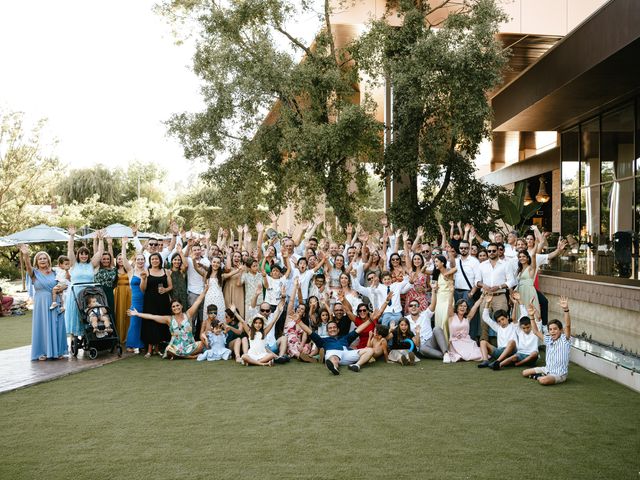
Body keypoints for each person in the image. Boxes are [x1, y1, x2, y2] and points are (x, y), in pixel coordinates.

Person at [128, 282, 208, 359]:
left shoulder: (188, 314)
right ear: (171, 309)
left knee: (201, 343)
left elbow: (198, 301)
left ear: (182, 306)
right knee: (169, 349)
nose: (176, 308)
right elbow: (152, 317)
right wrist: (137, 314)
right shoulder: (169, 319)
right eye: (173, 307)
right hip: (175, 348)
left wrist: (205, 290)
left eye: (177, 305)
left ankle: (182, 356)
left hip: (190, 346)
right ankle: (189, 356)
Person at [296, 300, 376, 375]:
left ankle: (356, 365)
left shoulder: (345, 338)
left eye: (334, 327)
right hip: (333, 352)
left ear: (338, 330)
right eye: (330, 328)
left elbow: (358, 329)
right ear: (327, 331)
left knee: (370, 350)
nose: (332, 329)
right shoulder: (323, 340)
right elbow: (309, 332)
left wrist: (370, 320)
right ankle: (334, 367)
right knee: (333, 358)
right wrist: (299, 321)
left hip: (347, 353)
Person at [19, 245, 68, 360]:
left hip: (55, 301)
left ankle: (59, 351)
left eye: (44, 258)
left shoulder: (55, 272)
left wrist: (61, 288)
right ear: (36, 261)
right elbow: (27, 266)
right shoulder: (34, 273)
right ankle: (42, 352)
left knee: (58, 325)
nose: (42, 260)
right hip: (41, 303)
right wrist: (26, 255)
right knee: (42, 327)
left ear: (48, 260)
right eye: (40, 258)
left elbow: (65, 284)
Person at [522, 296, 572, 385]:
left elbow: (567, 326)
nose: (552, 331)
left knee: (543, 381)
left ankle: (540, 377)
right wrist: (531, 316)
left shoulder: (565, 339)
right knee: (524, 372)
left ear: (561, 330)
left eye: (555, 329)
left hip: (559, 374)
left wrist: (566, 310)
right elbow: (536, 331)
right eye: (550, 329)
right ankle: (542, 375)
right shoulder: (548, 339)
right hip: (547, 369)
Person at [64, 226, 103, 338]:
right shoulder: (74, 264)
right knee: (76, 315)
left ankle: (90, 334)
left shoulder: (91, 265)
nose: (84, 256)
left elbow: (100, 253)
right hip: (76, 293)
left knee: (89, 313)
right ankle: (74, 338)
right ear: (78, 255)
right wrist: (71, 236)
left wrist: (100, 240)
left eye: (86, 254)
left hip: (89, 294)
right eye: (82, 254)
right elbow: (70, 250)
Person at [140, 252, 173, 358]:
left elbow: (170, 286)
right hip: (150, 301)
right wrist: (144, 279)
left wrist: (165, 289)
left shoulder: (166, 271)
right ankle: (149, 350)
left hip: (162, 301)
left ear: (160, 260)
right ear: (150, 261)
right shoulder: (146, 271)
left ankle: (158, 349)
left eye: (157, 259)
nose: (155, 260)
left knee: (160, 323)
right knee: (150, 323)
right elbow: (143, 289)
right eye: (152, 259)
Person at [405, 286, 448, 359]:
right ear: (408, 308)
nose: (413, 307)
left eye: (416, 305)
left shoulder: (425, 314)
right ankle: (445, 356)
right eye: (411, 306)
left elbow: (433, 305)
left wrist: (433, 291)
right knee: (422, 349)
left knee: (437, 329)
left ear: (419, 308)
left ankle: (446, 353)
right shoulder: (406, 320)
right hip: (422, 346)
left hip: (432, 341)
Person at [477, 293, 518, 370]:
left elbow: (514, 318)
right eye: (499, 321)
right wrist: (487, 302)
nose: (501, 322)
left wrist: (515, 304)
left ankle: (497, 362)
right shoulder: (498, 327)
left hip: (512, 351)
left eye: (503, 319)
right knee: (483, 342)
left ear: (507, 317)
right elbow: (485, 317)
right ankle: (485, 361)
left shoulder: (513, 325)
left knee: (512, 342)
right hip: (500, 351)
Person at [121, 237, 145, 353]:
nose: (140, 261)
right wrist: (124, 244)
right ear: (135, 261)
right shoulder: (131, 271)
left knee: (144, 321)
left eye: (142, 260)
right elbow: (124, 259)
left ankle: (142, 344)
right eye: (138, 259)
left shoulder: (147, 271)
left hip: (146, 299)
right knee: (135, 321)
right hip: (135, 300)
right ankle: (131, 344)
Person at [445, 294, 483, 363]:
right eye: (461, 306)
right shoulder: (451, 316)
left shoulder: (467, 318)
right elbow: (450, 304)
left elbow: (475, 306)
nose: (462, 308)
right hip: (455, 343)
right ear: (457, 307)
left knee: (479, 354)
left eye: (465, 306)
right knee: (461, 356)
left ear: (466, 309)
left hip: (467, 342)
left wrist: (482, 296)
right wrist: (451, 292)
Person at [113, 251, 131, 346]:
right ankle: (119, 336)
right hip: (118, 293)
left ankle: (128, 336)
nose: (121, 260)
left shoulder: (129, 270)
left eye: (122, 258)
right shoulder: (114, 270)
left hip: (128, 293)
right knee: (119, 313)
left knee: (127, 313)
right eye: (119, 259)